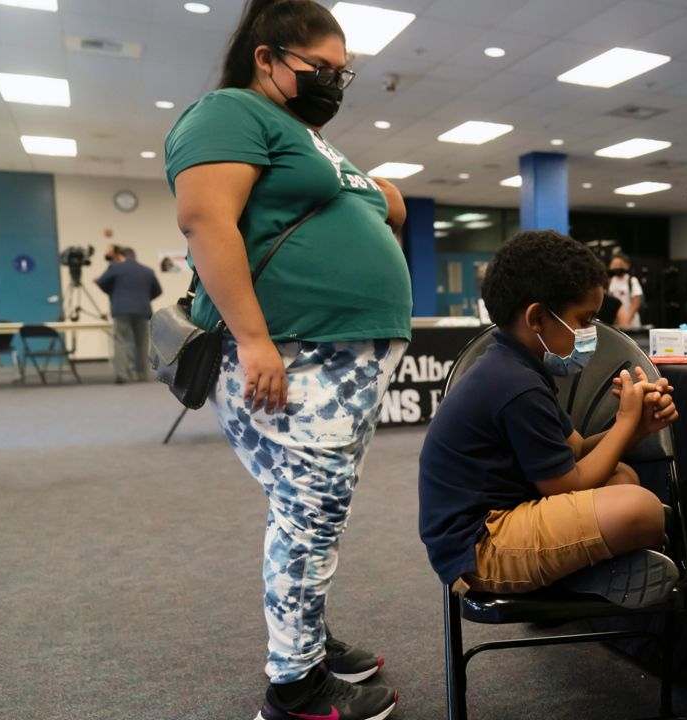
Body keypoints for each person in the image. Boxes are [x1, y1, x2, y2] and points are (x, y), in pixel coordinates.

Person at [163, 1, 412, 718]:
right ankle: (294, 685)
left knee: (309, 510)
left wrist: (381, 199)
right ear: (267, 58)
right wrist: (253, 338)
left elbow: (364, 206)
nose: (335, 82)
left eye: (343, 71)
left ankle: (304, 632)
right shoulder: (229, 111)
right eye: (320, 68)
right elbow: (206, 220)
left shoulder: (301, 135)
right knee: (310, 512)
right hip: (292, 352)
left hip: (338, 358)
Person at [419, 231, 681, 608]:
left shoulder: (519, 366)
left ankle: (580, 573)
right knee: (639, 508)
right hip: (481, 548)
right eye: (584, 319)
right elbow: (565, 486)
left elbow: (574, 450)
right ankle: (577, 579)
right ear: (537, 318)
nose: (590, 332)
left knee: (622, 477)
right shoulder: (515, 384)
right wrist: (623, 424)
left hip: (505, 518)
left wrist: (637, 427)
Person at [94, 245, 162, 384]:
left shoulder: (116, 268)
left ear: (121, 256)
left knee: (121, 342)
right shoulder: (147, 271)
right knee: (142, 343)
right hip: (143, 310)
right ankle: (142, 375)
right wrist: (144, 298)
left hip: (121, 310)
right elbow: (157, 290)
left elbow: (101, 282)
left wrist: (114, 292)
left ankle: (122, 375)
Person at [608, 253, 645, 328]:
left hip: (631, 323)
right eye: (614, 264)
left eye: (619, 264)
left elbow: (636, 303)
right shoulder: (609, 282)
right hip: (614, 324)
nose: (616, 267)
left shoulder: (631, 280)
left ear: (626, 266)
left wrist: (626, 321)